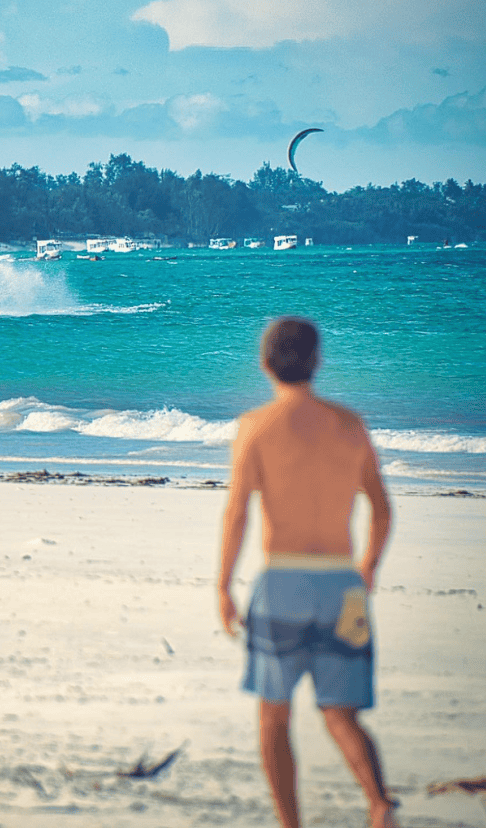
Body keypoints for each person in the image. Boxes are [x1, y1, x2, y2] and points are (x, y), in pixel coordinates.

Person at [217, 317, 397, 828]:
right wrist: (366, 570)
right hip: (342, 581)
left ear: (264, 363)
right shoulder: (348, 423)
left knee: (274, 712)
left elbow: (237, 514)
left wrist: (223, 584)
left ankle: (290, 824)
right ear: (317, 362)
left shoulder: (255, 427)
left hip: (282, 582)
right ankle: (379, 803)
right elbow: (382, 510)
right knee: (340, 711)